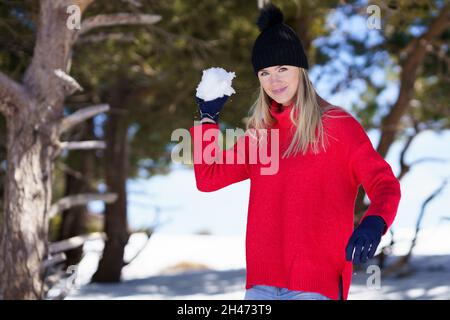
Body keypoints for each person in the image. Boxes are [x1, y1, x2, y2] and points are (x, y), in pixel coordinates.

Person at [190, 4, 401, 300]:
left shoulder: (337, 125)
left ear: (300, 70)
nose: (274, 80)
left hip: (316, 284)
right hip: (260, 285)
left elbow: (385, 184)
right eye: (264, 73)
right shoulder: (261, 136)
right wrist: (207, 120)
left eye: (282, 69)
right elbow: (208, 178)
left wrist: (375, 221)